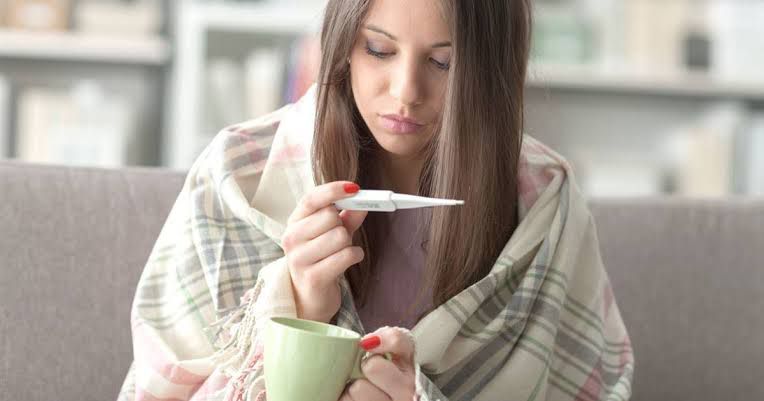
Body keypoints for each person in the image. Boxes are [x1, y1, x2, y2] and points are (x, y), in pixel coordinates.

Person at [118, 0, 634, 400]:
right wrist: (299, 311)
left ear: (492, 71)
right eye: (379, 50)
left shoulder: (543, 208)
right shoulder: (238, 177)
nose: (406, 90)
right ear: (342, 41)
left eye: (443, 62)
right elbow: (161, 391)